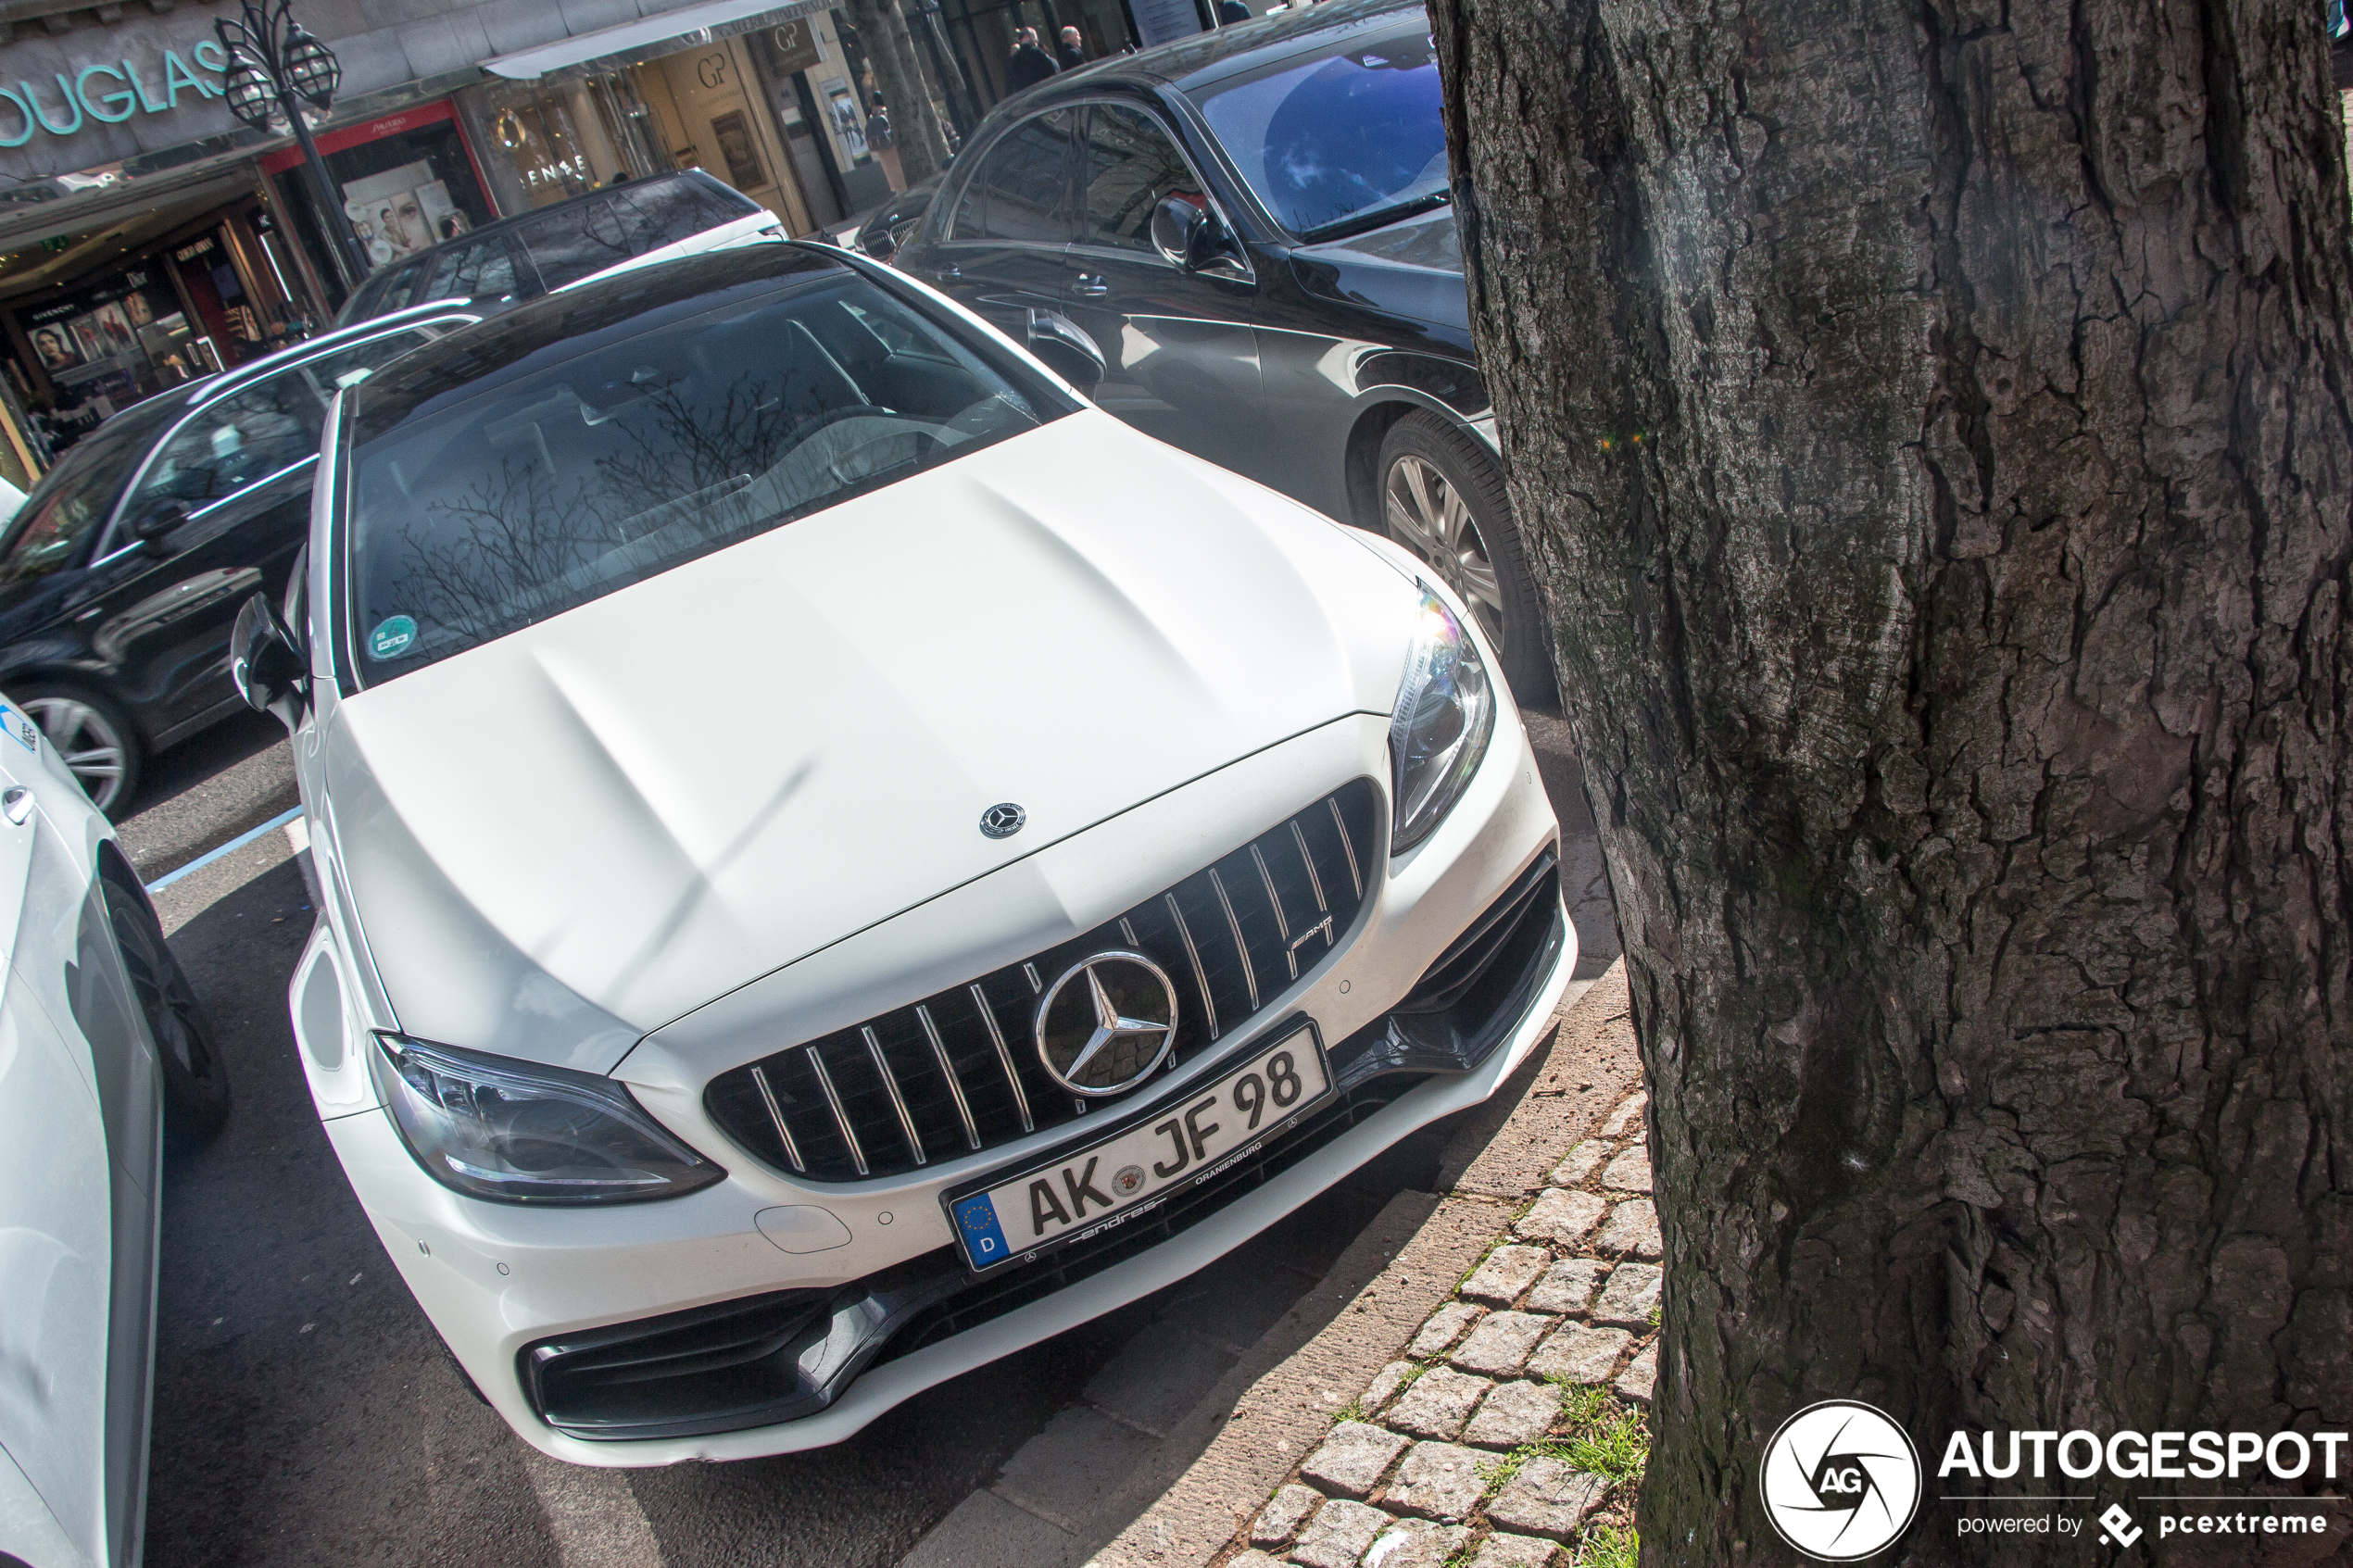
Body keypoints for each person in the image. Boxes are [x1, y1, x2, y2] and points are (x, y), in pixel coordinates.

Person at [864, 91, 905, 192]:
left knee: (889, 170)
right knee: (900, 174)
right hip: (893, 149)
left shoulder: (872, 117)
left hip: (881, 151)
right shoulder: (887, 113)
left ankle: (896, 188)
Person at [1005, 26, 1058, 93]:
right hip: (1042, 91)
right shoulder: (1036, 52)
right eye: (1034, 36)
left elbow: (1013, 82)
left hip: (1027, 96)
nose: (1036, 40)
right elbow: (1052, 70)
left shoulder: (1015, 58)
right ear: (1026, 37)